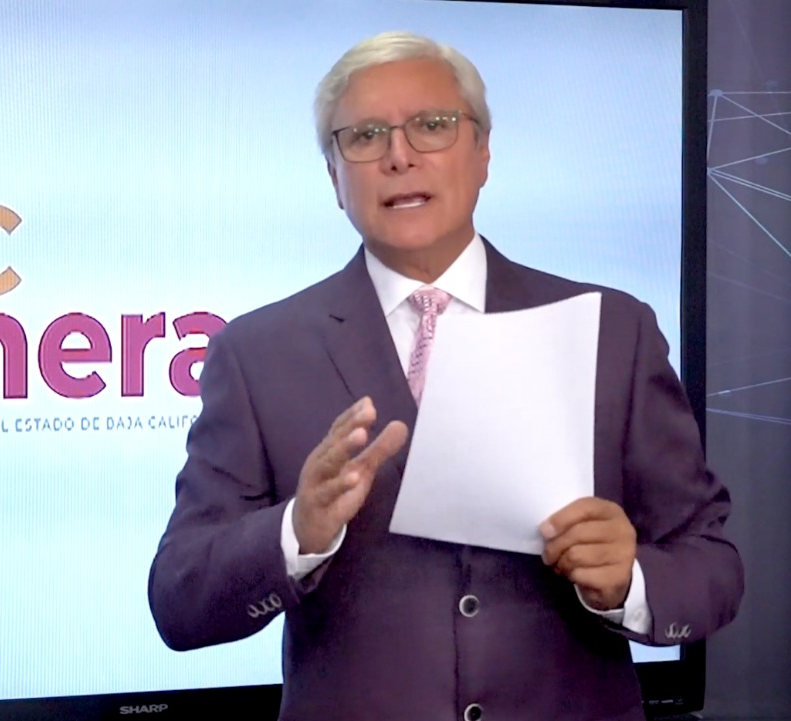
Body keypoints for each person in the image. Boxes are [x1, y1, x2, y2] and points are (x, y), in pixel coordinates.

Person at [146, 31, 744, 721]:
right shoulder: (256, 352)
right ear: (334, 177)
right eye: (364, 136)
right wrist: (295, 532)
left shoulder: (614, 330)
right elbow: (179, 601)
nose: (399, 156)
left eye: (431, 126)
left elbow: (712, 564)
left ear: (483, 152)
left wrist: (629, 580)